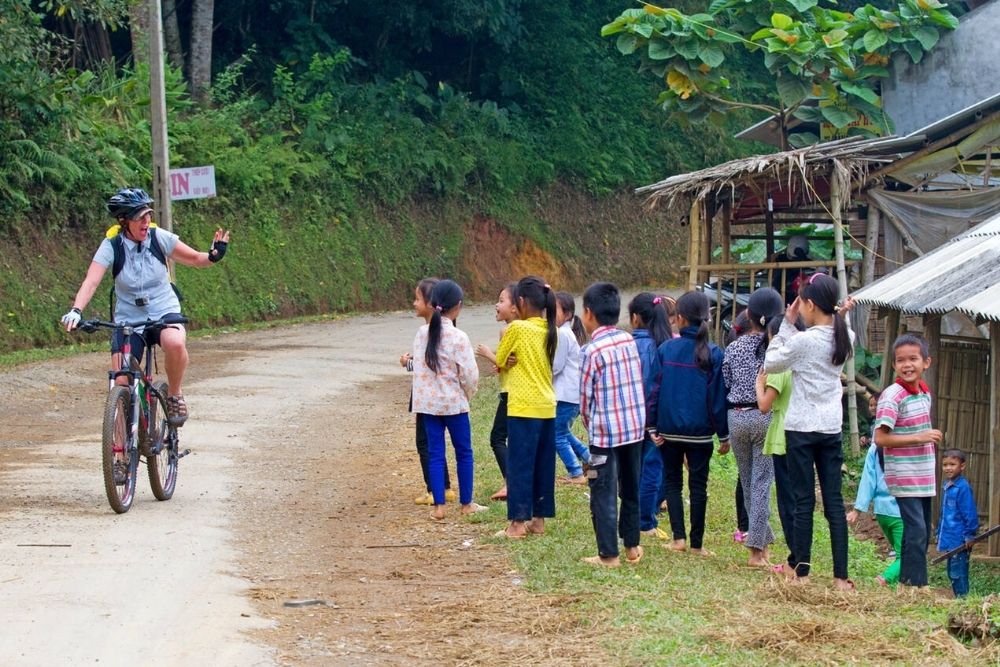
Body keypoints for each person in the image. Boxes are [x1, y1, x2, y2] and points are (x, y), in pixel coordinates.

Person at [61, 187, 229, 427]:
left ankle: (174, 394)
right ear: (124, 221)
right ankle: (119, 453)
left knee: (175, 341)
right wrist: (76, 310)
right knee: (121, 381)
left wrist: (213, 255)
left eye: (148, 215)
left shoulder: (158, 237)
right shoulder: (112, 246)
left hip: (163, 308)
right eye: (139, 217)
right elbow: (91, 281)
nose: (146, 221)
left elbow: (194, 258)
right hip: (129, 317)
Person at [763, 273, 854, 590]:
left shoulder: (803, 341)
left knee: (803, 503)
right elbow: (839, 327)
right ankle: (841, 577)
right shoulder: (846, 338)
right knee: (834, 504)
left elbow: (771, 362)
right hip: (830, 428)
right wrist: (839, 316)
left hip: (800, 429)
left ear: (810, 304)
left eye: (800, 303)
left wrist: (786, 326)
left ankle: (801, 572)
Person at [652, 291, 729, 556]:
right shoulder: (714, 353)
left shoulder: (665, 350)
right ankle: (697, 544)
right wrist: (724, 434)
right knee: (698, 486)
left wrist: (652, 427)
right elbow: (718, 399)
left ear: (680, 319)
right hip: (701, 435)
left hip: (669, 431)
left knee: (672, 482)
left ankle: (678, 539)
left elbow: (654, 391)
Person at [579, 282, 646, 567]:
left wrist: (589, 425)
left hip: (604, 434)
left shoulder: (591, 351)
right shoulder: (628, 340)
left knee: (602, 491)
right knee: (630, 488)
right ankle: (631, 547)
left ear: (589, 313)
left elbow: (585, 398)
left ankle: (609, 555)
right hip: (634, 428)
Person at [410, 279, 483, 520]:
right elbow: (470, 375)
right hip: (454, 405)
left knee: (435, 452)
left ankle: (439, 507)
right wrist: (467, 395)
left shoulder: (422, 334)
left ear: (432, 304)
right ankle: (466, 503)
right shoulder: (459, 337)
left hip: (428, 406)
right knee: (464, 452)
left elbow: (419, 369)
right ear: (457, 306)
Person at [874, 333, 941, 590]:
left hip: (923, 474)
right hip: (904, 474)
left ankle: (908, 582)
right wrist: (921, 437)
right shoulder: (893, 396)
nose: (907, 365)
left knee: (923, 532)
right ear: (893, 365)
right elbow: (880, 438)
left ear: (926, 362)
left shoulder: (924, 393)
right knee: (916, 531)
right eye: (901, 360)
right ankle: (915, 587)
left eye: (913, 359)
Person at [723, 288, 784, 567]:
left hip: (736, 418)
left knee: (748, 482)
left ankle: (761, 542)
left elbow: (726, 380)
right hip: (765, 416)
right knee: (761, 484)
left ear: (748, 314)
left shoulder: (733, 347)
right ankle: (756, 550)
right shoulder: (776, 348)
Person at [495, 276, 558, 539]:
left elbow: (499, 359)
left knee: (520, 465)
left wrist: (508, 359)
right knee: (543, 464)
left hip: (523, 407)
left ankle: (518, 524)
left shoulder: (518, 329)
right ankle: (539, 521)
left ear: (520, 302)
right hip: (547, 406)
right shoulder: (549, 329)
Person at [400, 277, 455, 505]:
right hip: (442, 394)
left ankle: (434, 489)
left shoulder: (425, 332)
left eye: (417, 299)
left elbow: (425, 366)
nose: (414, 303)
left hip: (425, 395)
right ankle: (446, 487)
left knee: (425, 442)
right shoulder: (447, 330)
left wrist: (406, 363)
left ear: (431, 303)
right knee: (436, 441)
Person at [756, 316, 800, 580]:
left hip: (783, 435)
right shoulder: (805, 361)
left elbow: (764, 405)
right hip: (804, 433)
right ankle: (799, 556)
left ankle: (795, 560)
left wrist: (759, 385)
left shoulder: (781, 366)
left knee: (787, 502)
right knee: (800, 499)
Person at [847, 397, 903, 587]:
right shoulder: (905, 444)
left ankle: (894, 591)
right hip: (901, 512)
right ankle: (882, 580)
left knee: (897, 553)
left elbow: (868, 480)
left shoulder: (874, 447)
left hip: (882, 512)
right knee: (908, 555)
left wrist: (858, 509)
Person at [627, 293, 670, 539]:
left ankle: (637, 518)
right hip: (656, 419)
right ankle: (646, 520)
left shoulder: (628, 344)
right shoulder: (663, 345)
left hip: (631, 417)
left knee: (633, 468)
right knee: (652, 468)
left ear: (635, 317)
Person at [475, 282, 519, 501]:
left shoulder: (508, 330)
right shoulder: (523, 328)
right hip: (516, 391)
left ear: (515, 307)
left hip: (510, 392)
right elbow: (508, 363)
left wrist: (486, 354)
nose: (496, 305)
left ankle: (510, 482)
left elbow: (505, 362)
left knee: (497, 438)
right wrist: (500, 365)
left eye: (502, 300)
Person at [552, 291, 590, 484]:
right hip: (571, 395)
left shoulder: (563, 334)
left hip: (565, 395)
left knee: (556, 435)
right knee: (562, 431)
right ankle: (589, 459)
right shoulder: (565, 332)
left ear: (567, 314)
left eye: (554, 309)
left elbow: (556, 366)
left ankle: (575, 472)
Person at [937, 449, 979, 598]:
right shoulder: (947, 486)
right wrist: (939, 533)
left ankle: (963, 601)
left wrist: (969, 534)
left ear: (962, 466)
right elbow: (944, 514)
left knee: (958, 573)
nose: (948, 468)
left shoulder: (962, 488)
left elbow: (969, 512)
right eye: (945, 464)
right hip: (950, 538)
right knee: (951, 572)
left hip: (959, 540)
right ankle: (959, 599)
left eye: (952, 464)